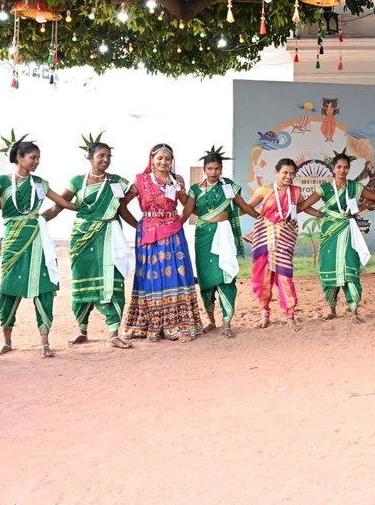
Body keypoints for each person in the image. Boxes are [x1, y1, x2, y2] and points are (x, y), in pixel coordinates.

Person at [0, 137, 76, 357]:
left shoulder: (40, 183)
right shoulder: (1, 182)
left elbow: (61, 203)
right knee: (8, 288)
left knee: (43, 288)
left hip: (37, 239)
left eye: (38, 158)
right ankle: (6, 341)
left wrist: (84, 207)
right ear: (19, 158)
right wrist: (3, 206)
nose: (36, 162)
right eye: (33, 157)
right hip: (13, 240)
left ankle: (44, 341)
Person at [44, 134, 135, 349]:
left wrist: (141, 227)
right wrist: (39, 220)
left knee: (112, 282)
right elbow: (60, 204)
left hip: (108, 236)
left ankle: (113, 333)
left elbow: (122, 208)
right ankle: (82, 330)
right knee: (81, 282)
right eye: (101, 155)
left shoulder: (117, 182)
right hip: (82, 238)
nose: (106, 159)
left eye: (109, 156)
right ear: (90, 157)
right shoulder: (77, 181)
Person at [122, 143, 202, 341]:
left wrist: (181, 220)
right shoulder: (140, 180)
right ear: (152, 160)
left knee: (177, 274)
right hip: (148, 235)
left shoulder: (177, 180)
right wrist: (138, 226)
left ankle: (179, 325)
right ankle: (148, 325)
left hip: (173, 234)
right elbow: (121, 204)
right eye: (160, 158)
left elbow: (188, 204)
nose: (164, 162)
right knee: (150, 276)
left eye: (168, 159)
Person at [298, 150, 375, 322]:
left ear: (349, 169)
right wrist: (321, 215)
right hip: (329, 232)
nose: (342, 170)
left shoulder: (355, 187)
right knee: (328, 270)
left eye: (346, 168)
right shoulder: (323, 188)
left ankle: (354, 312)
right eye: (339, 167)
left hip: (348, 232)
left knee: (350, 269)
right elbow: (303, 206)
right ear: (333, 168)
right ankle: (332, 310)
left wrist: (364, 207)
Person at [189, 147, 257, 337]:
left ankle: (227, 322)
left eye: (217, 169)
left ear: (221, 169)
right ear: (204, 169)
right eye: (210, 169)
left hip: (224, 236)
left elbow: (243, 206)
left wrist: (261, 217)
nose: (214, 172)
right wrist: (207, 217)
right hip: (203, 236)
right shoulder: (195, 189)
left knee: (225, 277)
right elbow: (190, 211)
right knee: (205, 279)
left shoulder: (228, 186)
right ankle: (211, 320)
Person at [246, 158, 303, 329]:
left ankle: (290, 314)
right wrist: (262, 220)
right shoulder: (265, 190)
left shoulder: (296, 192)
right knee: (262, 278)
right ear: (277, 172)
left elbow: (306, 207)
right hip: (264, 238)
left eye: (292, 173)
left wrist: (324, 215)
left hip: (284, 238)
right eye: (285, 172)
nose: (288, 176)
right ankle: (265, 312)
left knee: (285, 276)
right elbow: (248, 207)